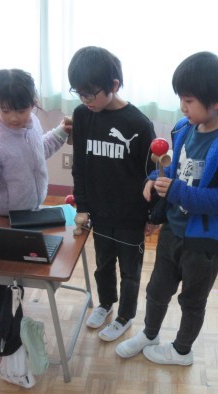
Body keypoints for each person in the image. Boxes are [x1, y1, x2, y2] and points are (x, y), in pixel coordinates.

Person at [114, 51, 218, 365]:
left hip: (205, 244)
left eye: (189, 100)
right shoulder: (184, 129)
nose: (182, 106)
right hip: (173, 231)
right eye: (181, 98)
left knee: (192, 301)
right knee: (156, 290)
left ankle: (182, 351)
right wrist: (155, 177)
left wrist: (177, 192)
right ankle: (150, 334)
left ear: (216, 101)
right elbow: (174, 169)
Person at [0, 68, 71, 342]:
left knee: (23, 269)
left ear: (33, 103)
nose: (14, 117)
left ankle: (12, 314)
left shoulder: (32, 123)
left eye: (22, 110)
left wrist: (60, 133)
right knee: (2, 274)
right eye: (5, 110)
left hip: (30, 212)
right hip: (3, 217)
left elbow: (38, 151)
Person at [67, 46, 157, 342]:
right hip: (99, 212)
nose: (85, 100)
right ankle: (106, 304)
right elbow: (79, 166)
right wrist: (82, 206)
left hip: (131, 215)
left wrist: (152, 216)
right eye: (79, 93)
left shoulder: (139, 124)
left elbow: (151, 175)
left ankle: (125, 316)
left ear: (114, 85)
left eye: (91, 93)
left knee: (130, 271)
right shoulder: (82, 116)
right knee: (103, 265)